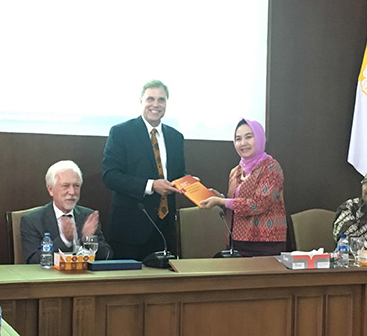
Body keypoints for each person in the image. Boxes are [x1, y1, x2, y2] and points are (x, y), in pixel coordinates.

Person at [102, 80, 186, 261]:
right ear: (141, 101)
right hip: (129, 230)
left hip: (164, 229)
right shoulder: (121, 132)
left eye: (161, 100)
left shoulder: (176, 137)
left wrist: (189, 183)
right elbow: (110, 176)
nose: (156, 105)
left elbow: (177, 175)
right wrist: (151, 185)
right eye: (150, 99)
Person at [199, 119, 287, 257]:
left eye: (249, 137)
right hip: (236, 242)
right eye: (238, 139)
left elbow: (258, 204)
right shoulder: (235, 171)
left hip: (265, 244)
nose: (243, 143)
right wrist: (218, 197)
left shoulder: (271, 168)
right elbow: (235, 204)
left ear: (259, 138)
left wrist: (221, 201)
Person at [21, 160, 113, 263]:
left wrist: (88, 239)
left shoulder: (88, 217)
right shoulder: (33, 220)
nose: (72, 192)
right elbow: (33, 261)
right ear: (50, 190)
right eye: (65, 186)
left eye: (76, 186)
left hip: (84, 277)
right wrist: (64, 240)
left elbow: (106, 256)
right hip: (51, 278)